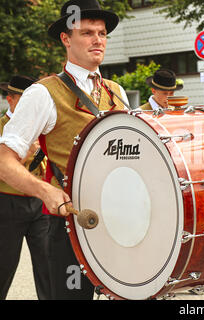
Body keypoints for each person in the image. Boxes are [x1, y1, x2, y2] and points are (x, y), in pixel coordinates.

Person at [0, 0, 129, 300]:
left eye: (102, 33)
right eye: (87, 32)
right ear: (66, 39)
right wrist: (45, 192)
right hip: (71, 227)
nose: (97, 39)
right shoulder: (42, 93)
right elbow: (5, 161)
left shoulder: (117, 92)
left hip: (119, 224)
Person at [0, 75, 50, 300]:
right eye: (24, 99)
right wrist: (23, 155)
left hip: (38, 202)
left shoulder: (40, 127)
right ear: (10, 99)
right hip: (7, 202)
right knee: (4, 266)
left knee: (48, 266)